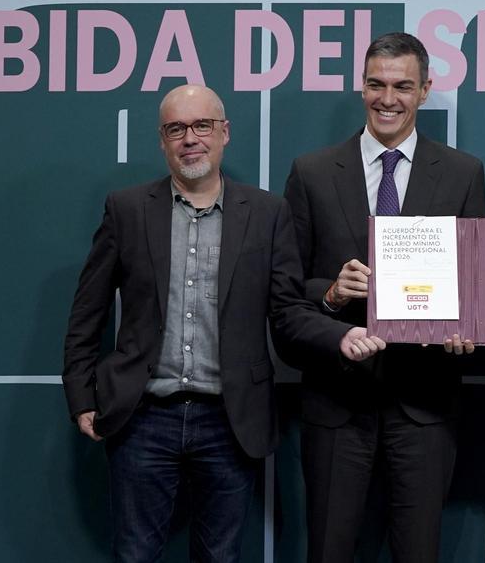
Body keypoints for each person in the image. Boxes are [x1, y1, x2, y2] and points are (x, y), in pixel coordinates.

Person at [61, 84, 367, 563]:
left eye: (201, 125)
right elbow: (87, 311)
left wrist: (339, 334)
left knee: (220, 558)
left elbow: (287, 312)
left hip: (229, 420)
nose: (190, 138)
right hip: (142, 418)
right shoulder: (126, 209)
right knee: (134, 555)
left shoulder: (267, 213)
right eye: (176, 129)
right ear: (162, 140)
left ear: (224, 133)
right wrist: (81, 396)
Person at [279, 32, 485, 563]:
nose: (387, 98)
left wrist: (467, 329)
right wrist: (329, 292)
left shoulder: (463, 173)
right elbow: (285, 292)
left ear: (424, 90)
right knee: (329, 551)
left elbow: (475, 287)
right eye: (376, 84)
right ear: (361, 86)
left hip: (425, 403)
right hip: (336, 403)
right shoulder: (313, 172)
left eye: (401, 86)